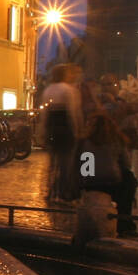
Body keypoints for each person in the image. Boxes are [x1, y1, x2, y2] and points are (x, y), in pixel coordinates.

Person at [78, 112, 137, 238]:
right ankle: (124, 221)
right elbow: (126, 163)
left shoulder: (83, 142)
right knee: (129, 179)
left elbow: (84, 168)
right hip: (112, 183)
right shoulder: (117, 140)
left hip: (90, 183)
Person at [41, 63, 84, 202]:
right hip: (65, 128)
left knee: (52, 163)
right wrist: (77, 129)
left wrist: (43, 131)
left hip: (52, 128)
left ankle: (50, 191)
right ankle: (63, 192)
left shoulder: (48, 90)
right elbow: (73, 112)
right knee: (66, 163)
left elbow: (44, 114)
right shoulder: (69, 90)